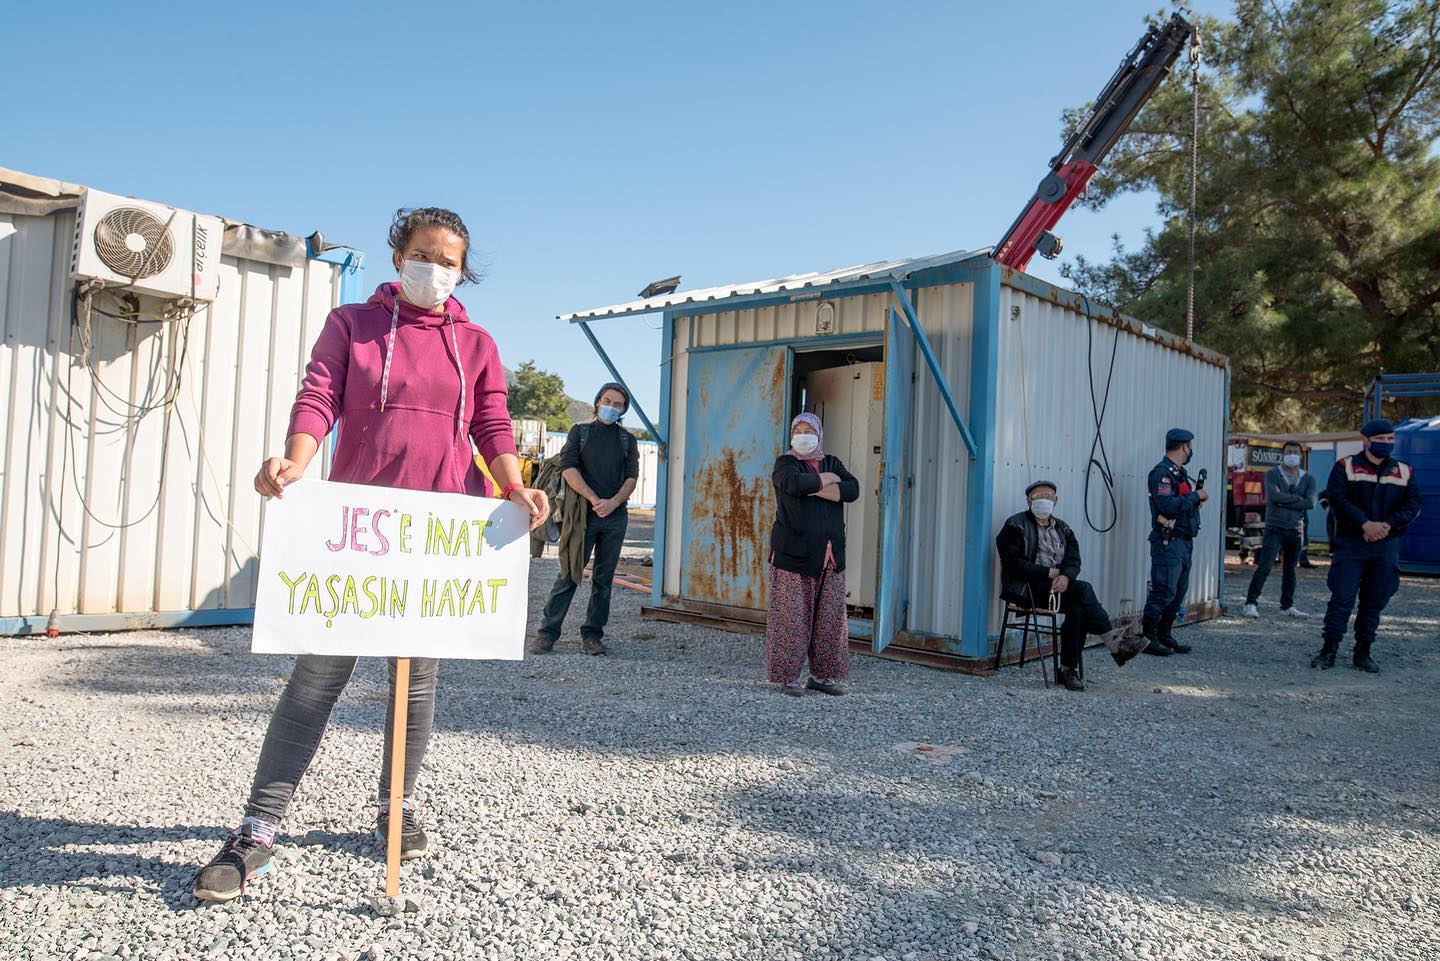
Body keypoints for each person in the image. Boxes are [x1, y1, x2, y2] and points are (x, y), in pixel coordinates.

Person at [191, 208, 550, 903]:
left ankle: (395, 806)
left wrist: (514, 485)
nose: (435, 269)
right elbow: (319, 394)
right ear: (399, 257)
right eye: (424, 254)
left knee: (414, 683)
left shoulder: (475, 342)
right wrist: (294, 462)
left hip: (438, 537)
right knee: (316, 678)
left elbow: (492, 422)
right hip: (356, 533)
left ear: (461, 270)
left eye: (449, 261)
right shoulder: (351, 325)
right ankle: (258, 827)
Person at [995, 481, 1150, 691]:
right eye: (1039, 496)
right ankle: (1115, 645)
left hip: (1059, 588)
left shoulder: (1063, 528)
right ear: (1029, 500)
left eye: (1049, 497)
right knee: (1084, 590)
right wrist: (1048, 573)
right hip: (1029, 589)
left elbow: (1073, 559)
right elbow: (1012, 563)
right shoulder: (1015, 525)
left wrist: (1066, 577)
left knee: (1078, 609)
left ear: (1055, 501)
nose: (1044, 501)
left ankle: (1067, 670)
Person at [532, 383, 640, 656]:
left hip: (615, 517)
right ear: (597, 402)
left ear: (624, 409)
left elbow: (631, 477)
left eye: (618, 404)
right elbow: (569, 469)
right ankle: (547, 634)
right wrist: (595, 500)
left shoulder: (628, 440)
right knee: (568, 574)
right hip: (583, 516)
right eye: (607, 401)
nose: (612, 407)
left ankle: (592, 636)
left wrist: (613, 503)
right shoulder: (580, 433)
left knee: (604, 580)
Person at [1310, 419, 1422, 673]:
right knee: (1342, 598)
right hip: (1352, 544)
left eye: (1390, 439)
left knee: (1374, 600)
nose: (1386, 444)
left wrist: (1385, 526)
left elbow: (1413, 505)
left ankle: (1363, 652)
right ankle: (1329, 649)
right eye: (1381, 439)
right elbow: (1337, 499)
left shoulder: (1404, 471)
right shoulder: (1345, 467)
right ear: (1366, 441)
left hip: (1386, 544)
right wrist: (1364, 524)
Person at [766, 413, 859, 696]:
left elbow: (852, 489)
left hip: (829, 557)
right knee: (791, 619)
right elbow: (793, 485)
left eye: (809, 430)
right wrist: (827, 483)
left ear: (819, 434)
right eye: (798, 430)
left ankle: (822, 676)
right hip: (793, 555)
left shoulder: (832, 462)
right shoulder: (785, 464)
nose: (803, 434)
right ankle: (787, 678)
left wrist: (814, 484)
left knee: (830, 622)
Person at [1142, 427, 1209, 656]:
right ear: (1184, 447)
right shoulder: (1162, 473)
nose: (1191, 451)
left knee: (1179, 591)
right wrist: (1195, 496)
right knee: (1163, 590)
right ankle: (1148, 637)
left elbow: (1180, 503)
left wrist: (1193, 501)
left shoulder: (1179, 473)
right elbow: (1168, 505)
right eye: (1189, 446)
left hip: (1184, 542)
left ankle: (1164, 633)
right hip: (1168, 543)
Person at [1242, 440, 1317, 618]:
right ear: (1283, 455)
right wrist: (1297, 500)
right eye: (1289, 451)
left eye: (1296, 452)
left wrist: (1286, 500)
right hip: (1275, 528)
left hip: (1296, 529)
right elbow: (1273, 497)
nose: (1292, 455)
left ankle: (1287, 606)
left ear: (1300, 455)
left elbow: (1311, 503)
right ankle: (1250, 603)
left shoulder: (1308, 478)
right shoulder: (1273, 474)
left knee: (1290, 569)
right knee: (1265, 566)